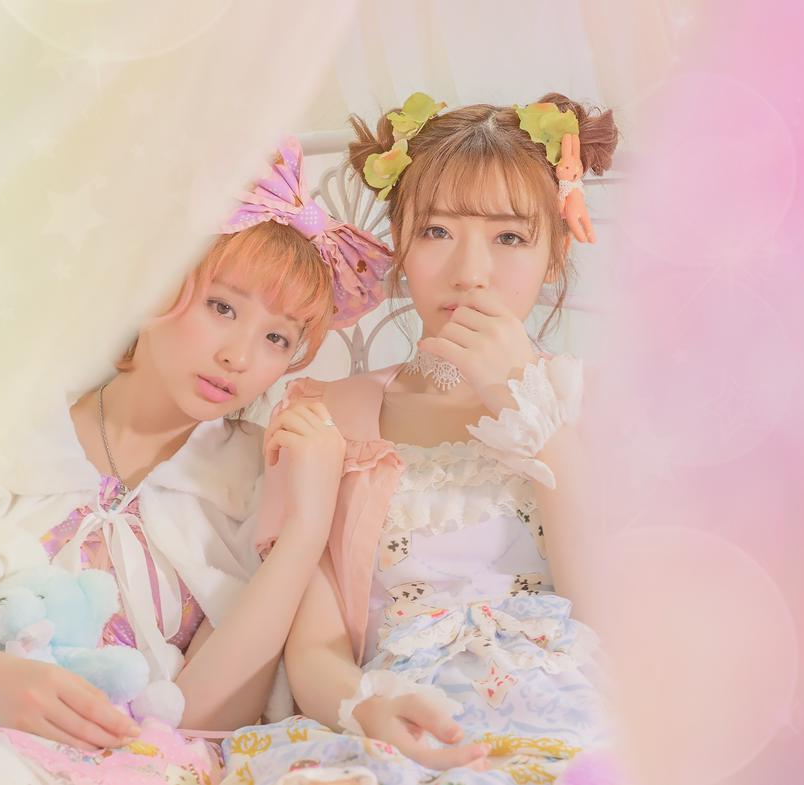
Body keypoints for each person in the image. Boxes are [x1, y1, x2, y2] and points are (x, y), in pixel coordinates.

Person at [0, 137, 392, 785]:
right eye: (221, 307)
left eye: (277, 338)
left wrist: (303, 532)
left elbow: (211, 719)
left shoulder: (253, 477)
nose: (240, 356)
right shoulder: (11, 429)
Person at [230, 93, 621, 785]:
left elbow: (616, 622)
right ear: (399, 244)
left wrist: (530, 406)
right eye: (437, 231)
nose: (470, 272)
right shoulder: (327, 414)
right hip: (397, 722)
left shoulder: (597, 406)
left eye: (509, 237)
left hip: (567, 715)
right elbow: (314, 644)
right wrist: (365, 707)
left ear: (556, 253)